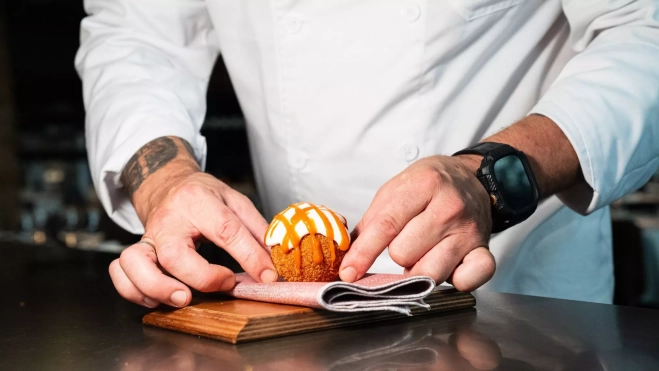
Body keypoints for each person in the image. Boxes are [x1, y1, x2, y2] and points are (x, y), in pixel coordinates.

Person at [75, 0, 659, 309]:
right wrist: (165, 181)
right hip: (297, 315)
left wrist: (489, 180)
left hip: (521, 295)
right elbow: (137, 35)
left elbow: (645, 29)